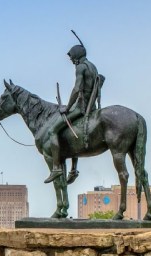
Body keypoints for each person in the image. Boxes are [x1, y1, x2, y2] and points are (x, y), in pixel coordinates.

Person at [43, 42, 103, 183]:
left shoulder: (81, 67)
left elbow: (77, 89)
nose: (70, 60)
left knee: (52, 131)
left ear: (76, 55)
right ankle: (73, 170)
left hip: (81, 107)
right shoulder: (92, 66)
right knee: (71, 131)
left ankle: (56, 168)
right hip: (91, 106)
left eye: (71, 57)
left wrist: (67, 107)